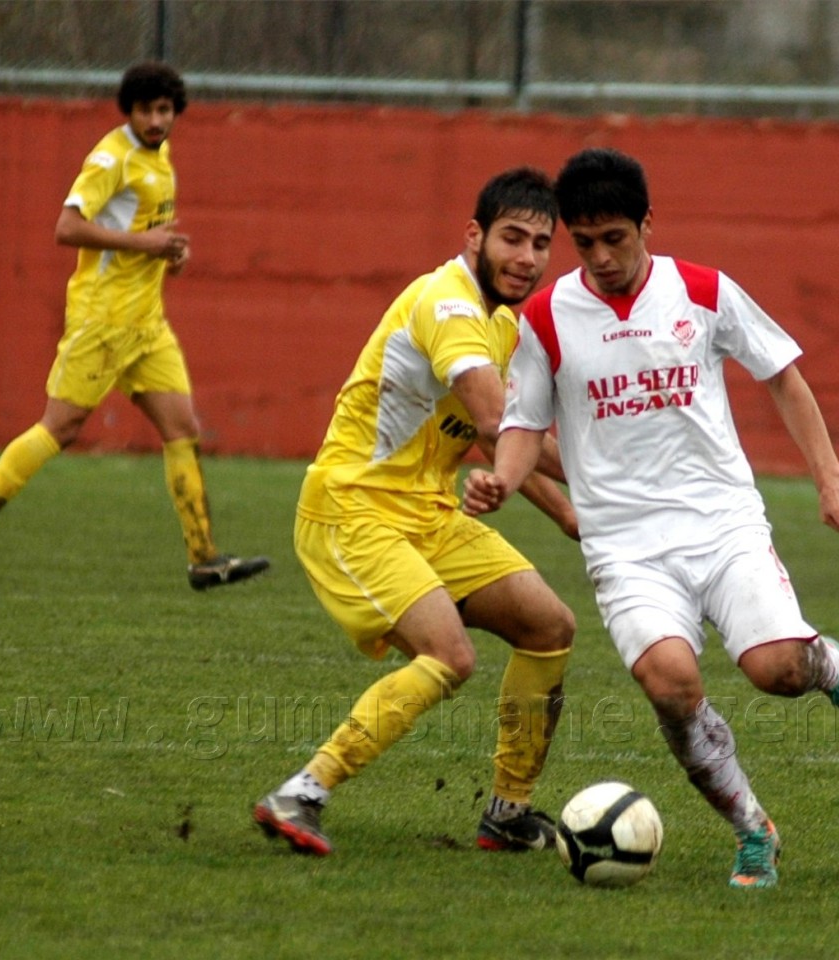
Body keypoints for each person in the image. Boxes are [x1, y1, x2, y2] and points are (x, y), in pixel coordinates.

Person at [463, 147, 839, 890]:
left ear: (646, 226)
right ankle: (751, 829)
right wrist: (502, 482)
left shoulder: (703, 291)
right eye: (584, 241)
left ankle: (825, 663)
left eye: (615, 239)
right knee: (670, 684)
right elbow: (523, 425)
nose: (600, 258)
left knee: (776, 672)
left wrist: (832, 482)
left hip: (721, 524)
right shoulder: (543, 318)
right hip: (624, 546)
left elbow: (783, 378)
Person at [253, 167, 578, 857]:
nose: (525, 257)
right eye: (511, 238)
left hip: (423, 513)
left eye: (539, 244)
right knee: (449, 655)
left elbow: (506, 442)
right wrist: (614, 480)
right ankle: (302, 791)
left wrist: (574, 520)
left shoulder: (503, 321)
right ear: (474, 235)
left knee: (548, 626)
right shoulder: (449, 306)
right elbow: (498, 424)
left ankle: (507, 813)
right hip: (352, 508)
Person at [0, 62, 269, 591]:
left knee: (182, 430)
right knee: (60, 428)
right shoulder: (111, 158)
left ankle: (204, 558)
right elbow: (67, 228)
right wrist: (146, 244)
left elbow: (143, 230)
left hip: (147, 326)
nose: (156, 119)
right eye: (146, 110)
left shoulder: (161, 155)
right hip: (101, 322)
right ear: (130, 111)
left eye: (165, 110)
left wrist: (168, 252)